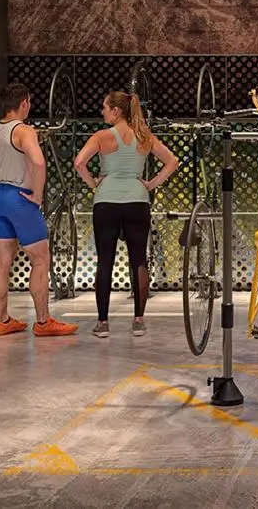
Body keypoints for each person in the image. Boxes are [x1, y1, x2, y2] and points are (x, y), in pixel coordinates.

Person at [0, 83, 78, 338]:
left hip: (0, 199)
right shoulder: (24, 130)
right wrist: (37, 195)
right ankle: (43, 322)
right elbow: (39, 163)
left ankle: (3, 321)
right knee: (40, 259)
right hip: (21, 200)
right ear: (24, 103)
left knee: (2, 262)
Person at [74, 90, 179, 338]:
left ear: (116, 111)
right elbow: (172, 161)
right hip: (137, 201)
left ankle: (103, 323)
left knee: (105, 261)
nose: (102, 111)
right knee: (138, 260)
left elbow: (79, 163)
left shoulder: (101, 137)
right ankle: (138, 321)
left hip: (106, 202)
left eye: (104, 107)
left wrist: (93, 184)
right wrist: (150, 184)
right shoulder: (144, 136)